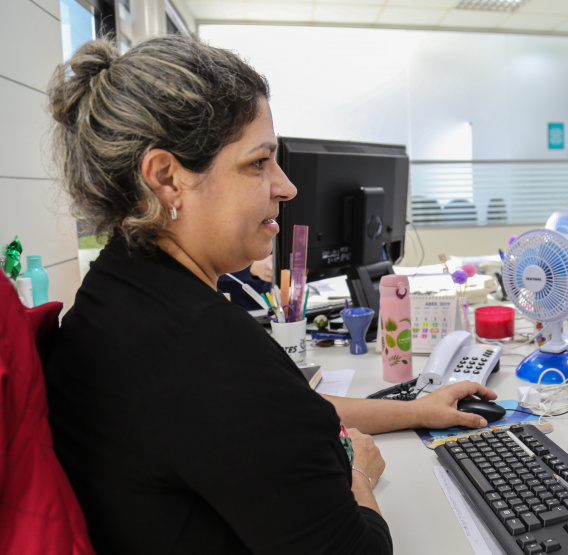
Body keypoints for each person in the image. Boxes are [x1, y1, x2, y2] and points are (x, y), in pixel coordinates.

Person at [43, 34, 496, 554]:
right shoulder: (202, 348)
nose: (286, 186)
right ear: (166, 179)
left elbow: (280, 410)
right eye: (258, 163)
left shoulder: (116, 299)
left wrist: (416, 409)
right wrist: (359, 477)